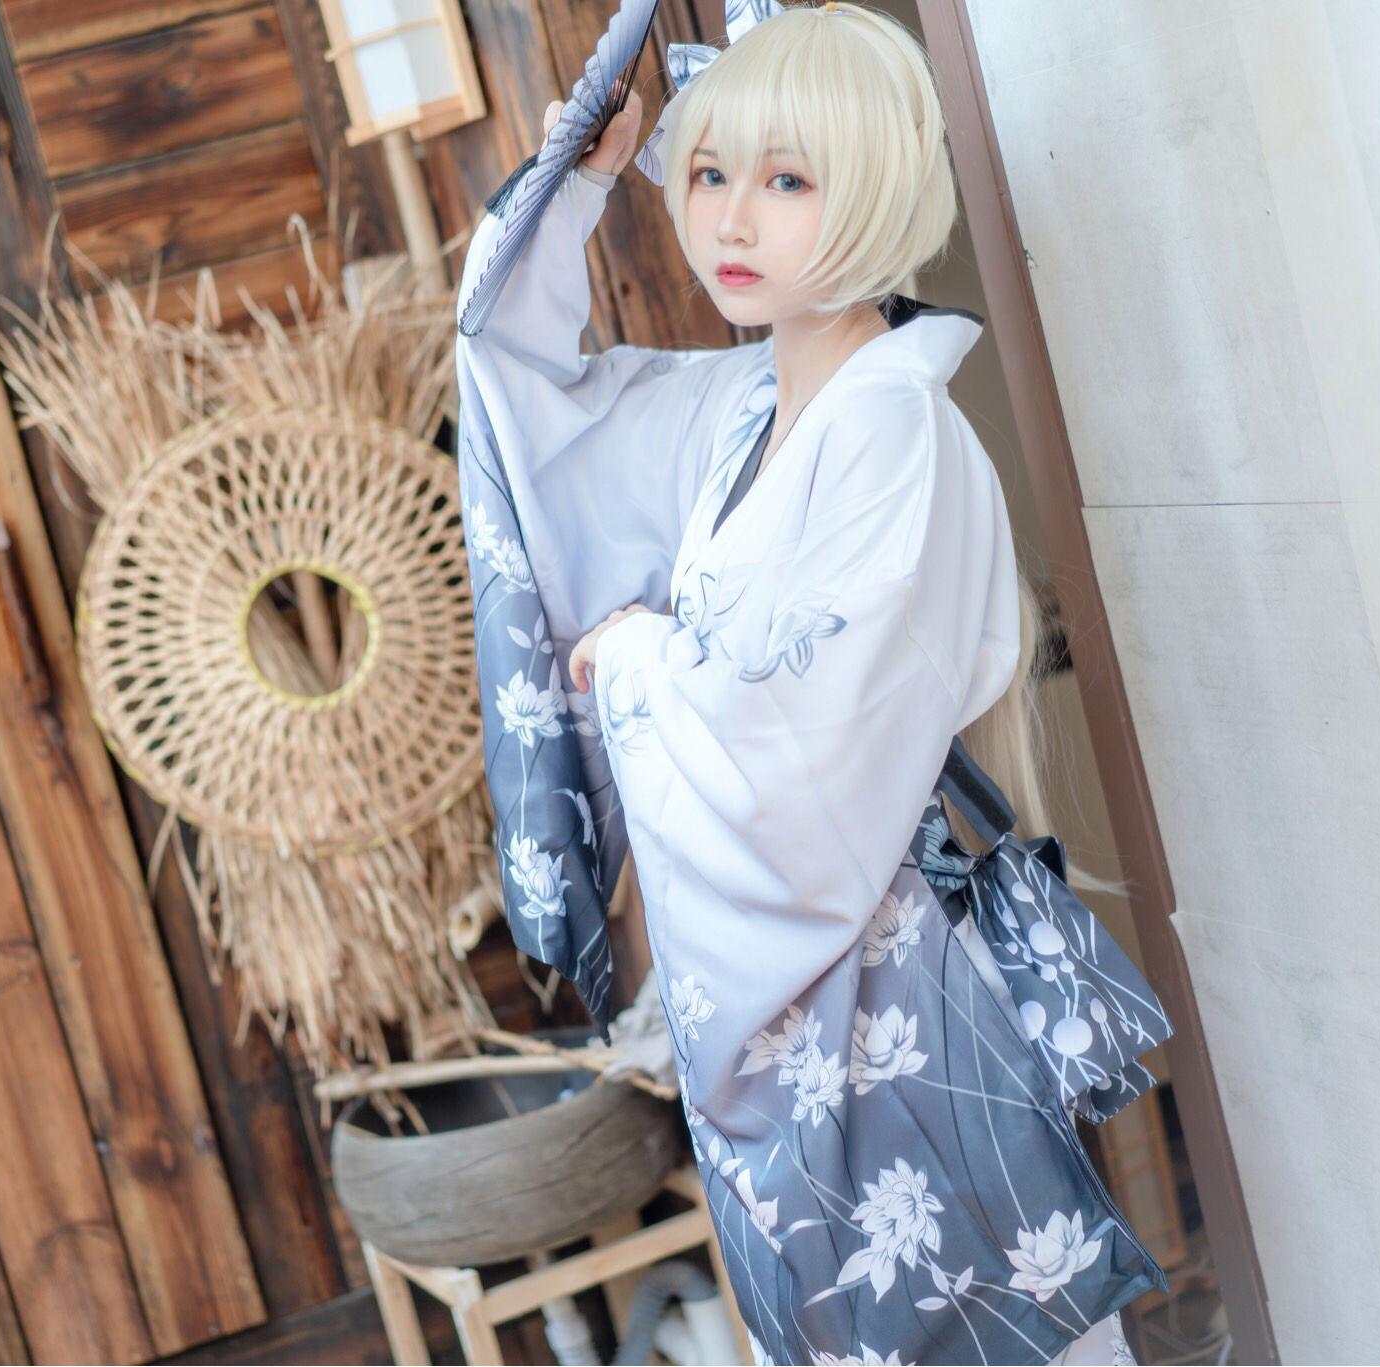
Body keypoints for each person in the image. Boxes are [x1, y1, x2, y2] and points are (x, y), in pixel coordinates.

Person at [453, 3, 1164, 1363]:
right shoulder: (739, 413)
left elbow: (806, 768)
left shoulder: (896, 434)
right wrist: (575, 187)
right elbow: (520, 390)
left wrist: (639, 654)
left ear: (879, 188)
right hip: (794, 1024)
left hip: (889, 1001)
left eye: (788, 180)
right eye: (710, 171)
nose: (731, 219)